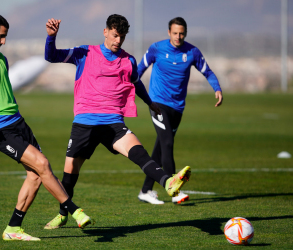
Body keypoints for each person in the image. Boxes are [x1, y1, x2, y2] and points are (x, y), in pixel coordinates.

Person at [0, 13, 93, 241]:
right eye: (1, 36)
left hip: (18, 122)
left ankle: (13, 228)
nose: (4, 41)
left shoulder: (1, 60)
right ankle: (74, 210)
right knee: (43, 164)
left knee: (35, 176)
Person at [43, 14, 191, 230]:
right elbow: (51, 56)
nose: (117, 41)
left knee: (139, 153)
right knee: (70, 173)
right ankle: (63, 214)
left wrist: (149, 102)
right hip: (85, 122)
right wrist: (51, 37)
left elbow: (136, 82)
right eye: (114, 35)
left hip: (113, 122)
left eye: (121, 37)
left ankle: (168, 182)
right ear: (105, 32)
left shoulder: (128, 60)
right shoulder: (85, 52)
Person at [137, 17, 223, 205]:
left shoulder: (192, 52)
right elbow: (139, 69)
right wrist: (128, 90)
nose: (178, 36)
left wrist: (216, 88)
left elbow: (207, 71)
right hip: (157, 103)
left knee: (160, 148)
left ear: (186, 33)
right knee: (167, 143)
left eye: (182, 33)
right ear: (169, 33)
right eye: (175, 33)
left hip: (178, 107)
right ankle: (174, 190)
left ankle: (145, 190)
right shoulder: (156, 49)